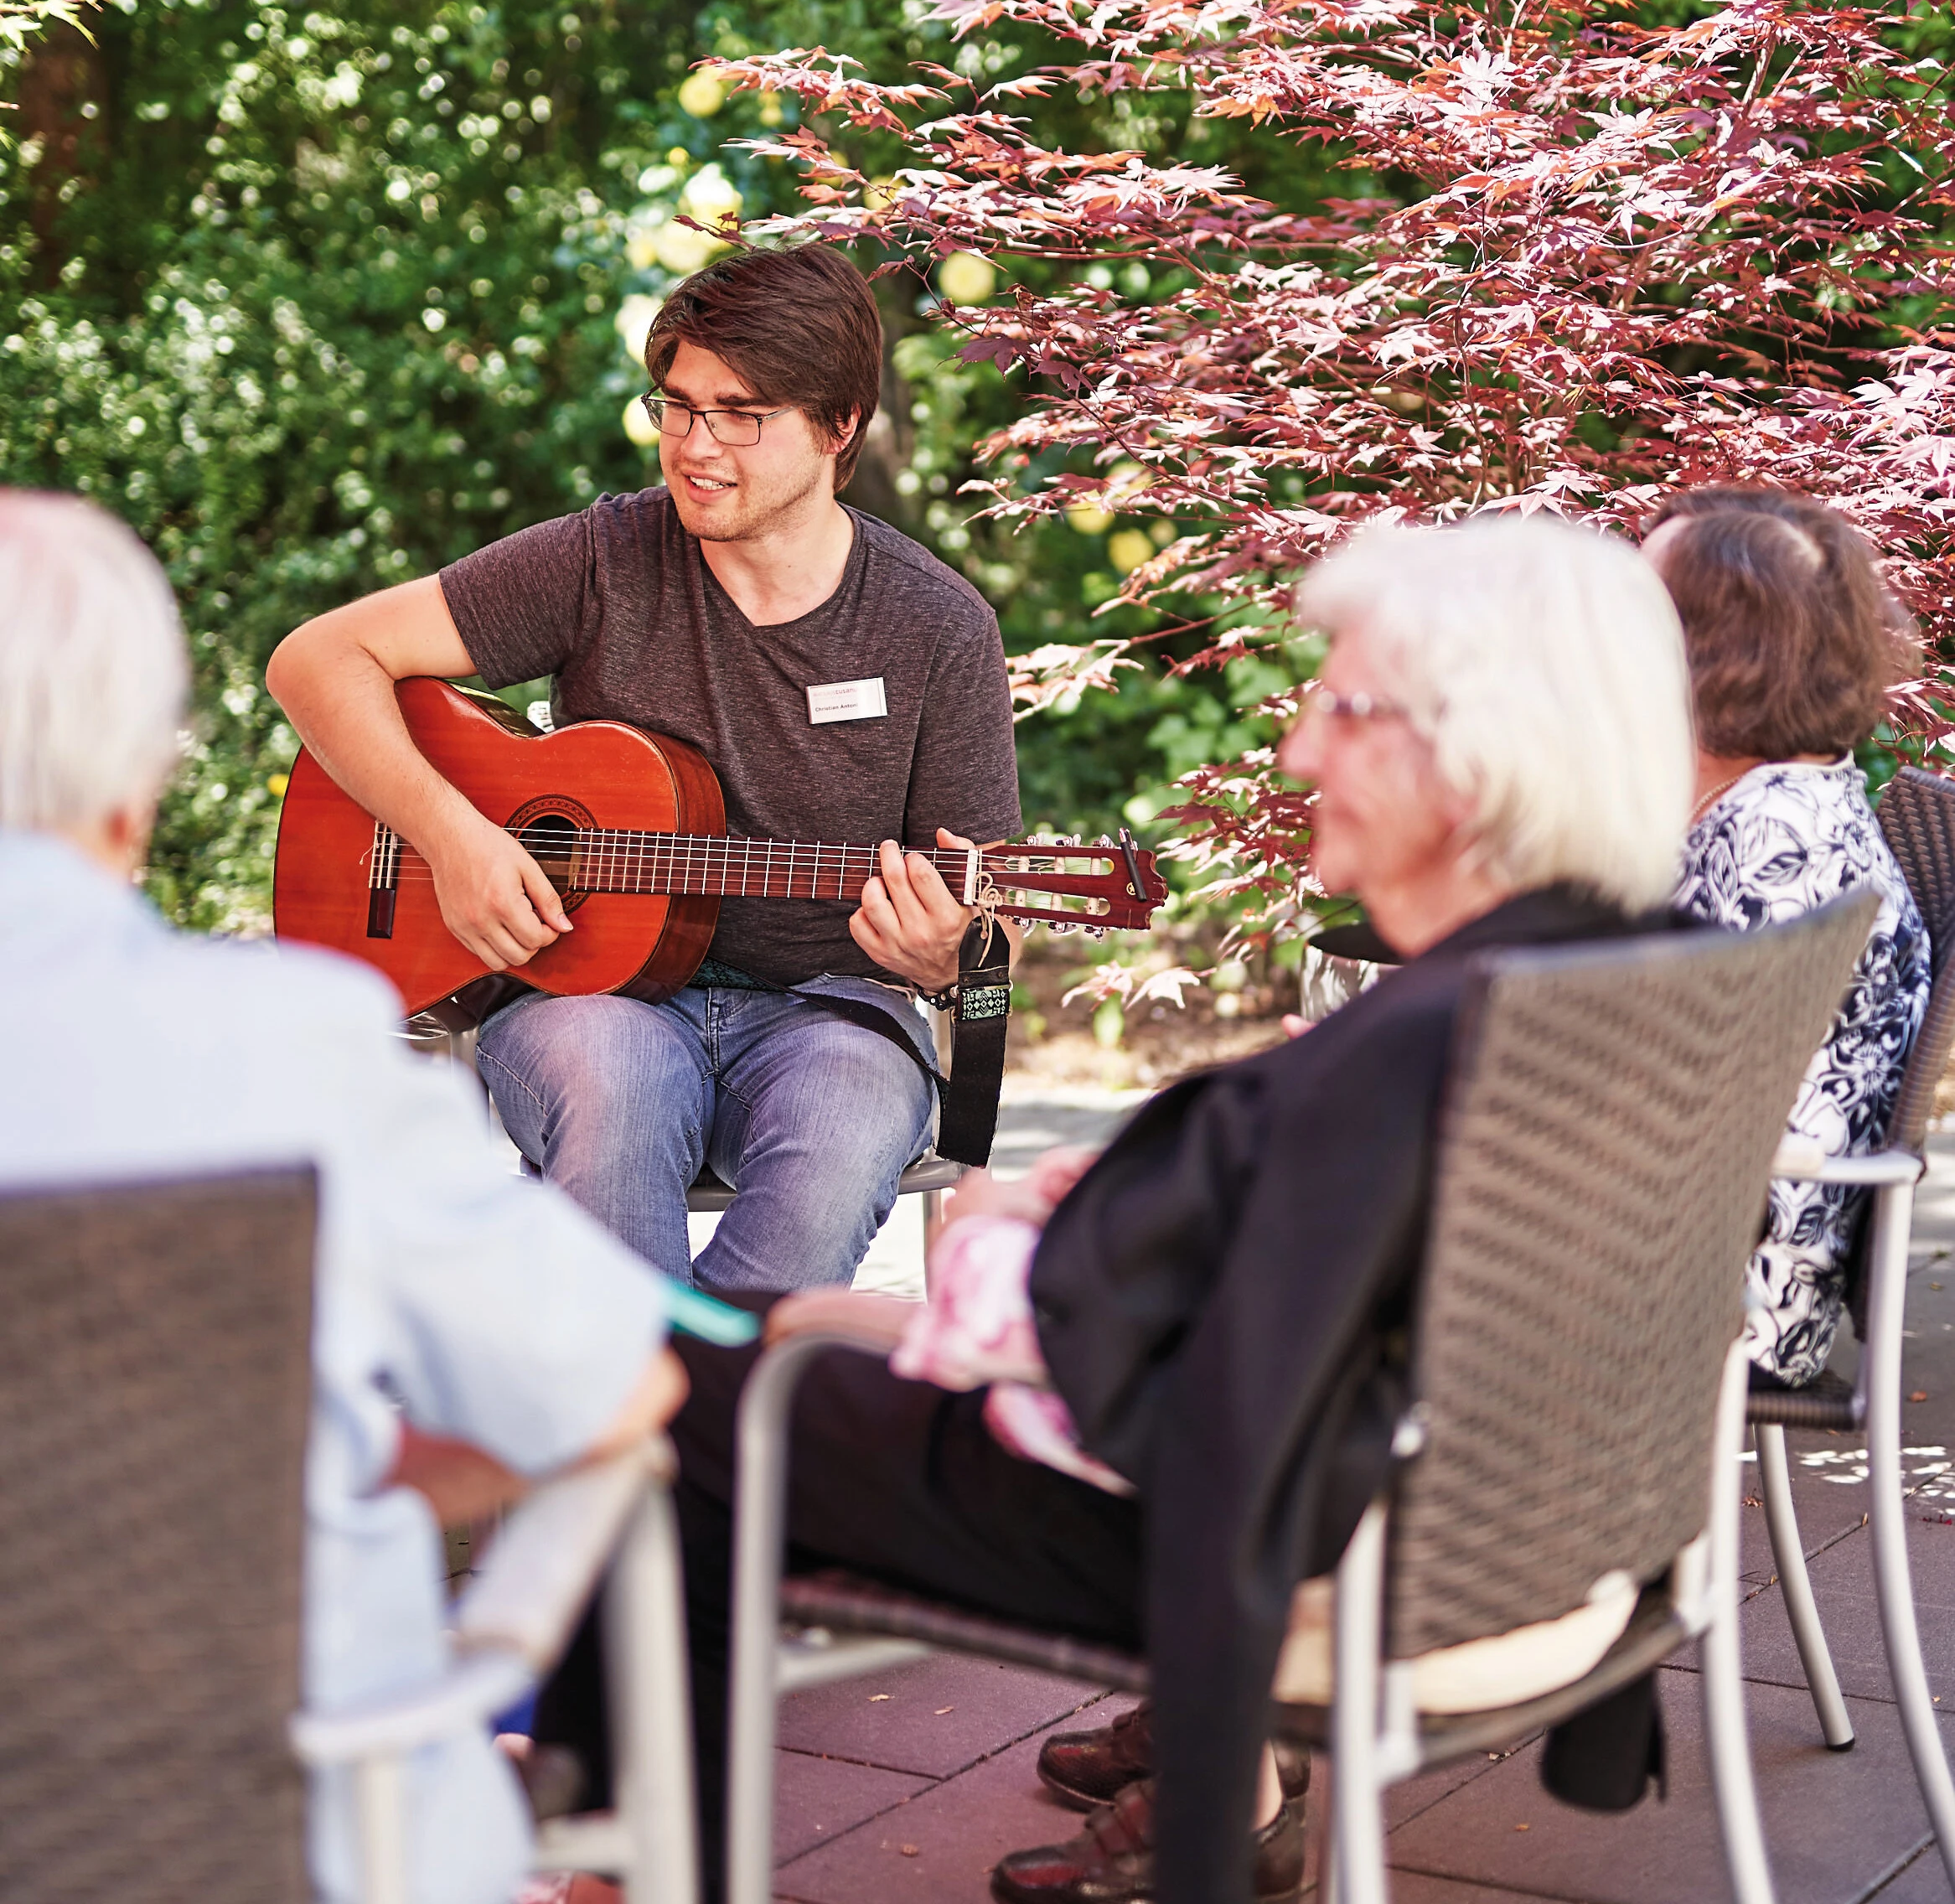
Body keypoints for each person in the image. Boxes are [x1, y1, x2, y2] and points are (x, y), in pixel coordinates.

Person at [531, 514, 1699, 1904]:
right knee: (739, 1340)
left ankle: (619, 1851)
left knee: (676, 1383)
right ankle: (616, 1828)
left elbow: (1151, 1389)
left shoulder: (1410, 1049)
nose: (1297, 752)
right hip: (1501, 1535)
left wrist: (980, 1263)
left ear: (1474, 757)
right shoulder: (1622, 980)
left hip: (1236, 1525)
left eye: (1340, 710)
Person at [0, 489, 685, 1904]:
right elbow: (616, 1391)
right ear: (136, 784)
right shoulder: (294, 1050)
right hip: (318, 1830)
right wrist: (319, 1464)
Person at [267, 243, 1022, 1291]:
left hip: (832, 1013)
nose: (694, 446)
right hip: (590, 997)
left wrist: (950, 955)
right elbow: (315, 659)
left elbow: (989, 923)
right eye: (677, 405)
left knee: (844, 1125)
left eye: (739, 414)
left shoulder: (937, 626)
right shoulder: (601, 558)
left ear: (839, 424)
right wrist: (456, 839)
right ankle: (652, 1382)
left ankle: (672, 1381)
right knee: (613, 1091)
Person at [1642, 484, 1930, 1386]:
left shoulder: (1779, 838)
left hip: (1721, 1303)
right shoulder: (1776, 795)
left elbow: (1684, 1105)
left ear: (1723, 648)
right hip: (1694, 1256)